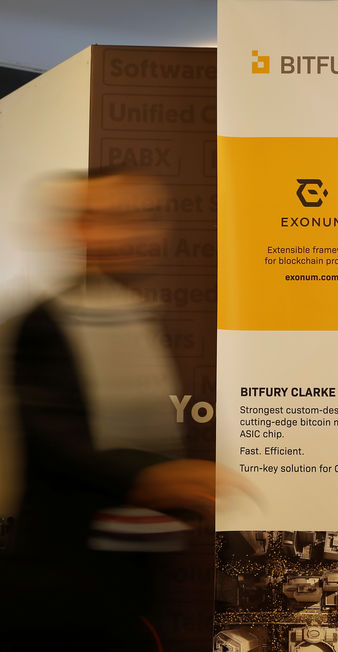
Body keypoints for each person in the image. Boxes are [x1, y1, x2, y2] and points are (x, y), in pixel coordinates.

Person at [0, 169, 218, 650]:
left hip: (127, 580)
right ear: (76, 227)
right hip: (60, 584)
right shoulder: (45, 321)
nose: (130, 232)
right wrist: (152, 477)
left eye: (140, 217)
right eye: (109, 218)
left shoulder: (138, 314)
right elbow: (53, 434)